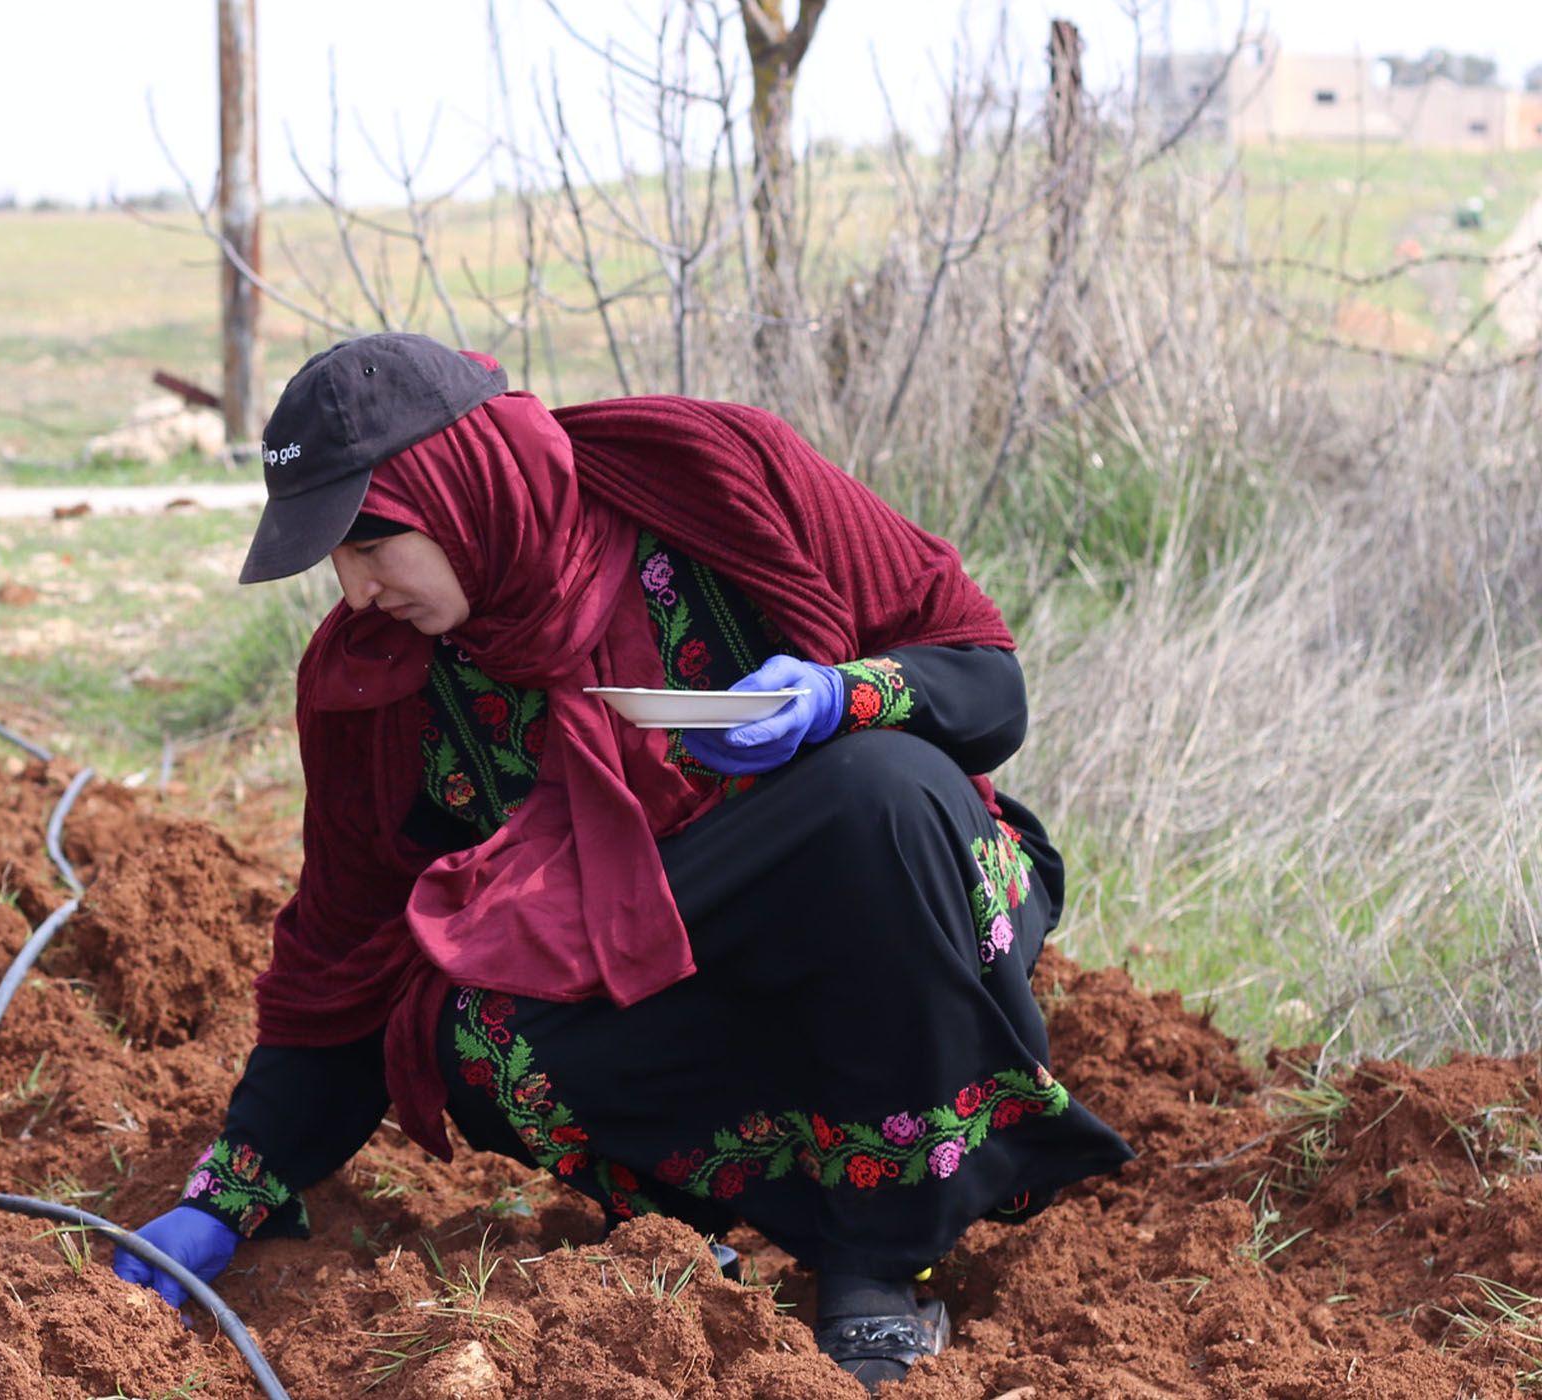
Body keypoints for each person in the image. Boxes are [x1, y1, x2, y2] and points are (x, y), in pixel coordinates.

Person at [111, 334, 1133, 1390]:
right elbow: (347, 939)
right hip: (660, 954)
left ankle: (878, 1256)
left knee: (872, 789)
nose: (355, 587)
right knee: (461, 1027)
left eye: (372, 543)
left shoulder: (707, 473)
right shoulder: (378, 681)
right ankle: (689, 1240)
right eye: (336, 557)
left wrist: (843, 694)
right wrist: (230, 1188)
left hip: (886, 896)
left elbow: (984, 682)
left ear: (461, 490)